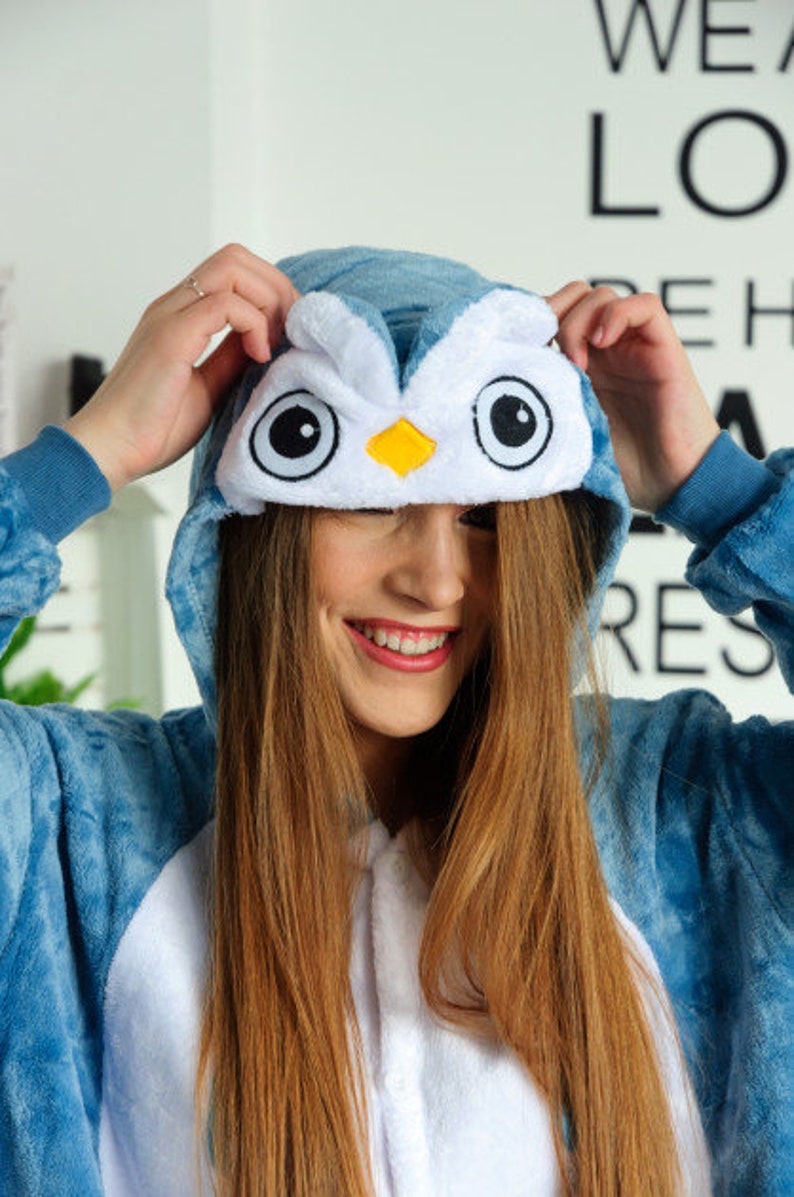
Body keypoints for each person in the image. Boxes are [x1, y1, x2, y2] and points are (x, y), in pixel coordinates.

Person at [0, 244, 789, 1197]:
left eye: (483, 518)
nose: (435, 581)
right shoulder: (76, 828)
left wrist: (722, 491)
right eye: (372, 502)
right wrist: (83, 458)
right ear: (255, 524)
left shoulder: (680, 807)